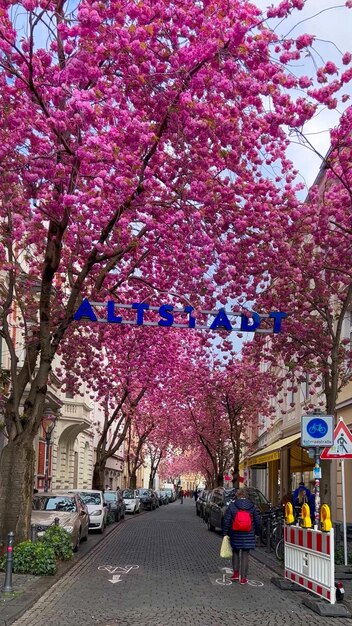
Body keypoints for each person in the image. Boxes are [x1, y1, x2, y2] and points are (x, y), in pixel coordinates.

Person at [223, 487, 261, 585]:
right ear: (246, 496)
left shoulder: (232, 506)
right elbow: (257, 521)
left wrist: (225, 533)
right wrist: (257, 532)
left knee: (235, 552)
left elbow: (227, 520)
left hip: (235, 534)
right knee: (245, 555)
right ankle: (243, 578)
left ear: (238, 495)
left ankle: (235, 574)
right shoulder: (252, 506)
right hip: (248, 534)